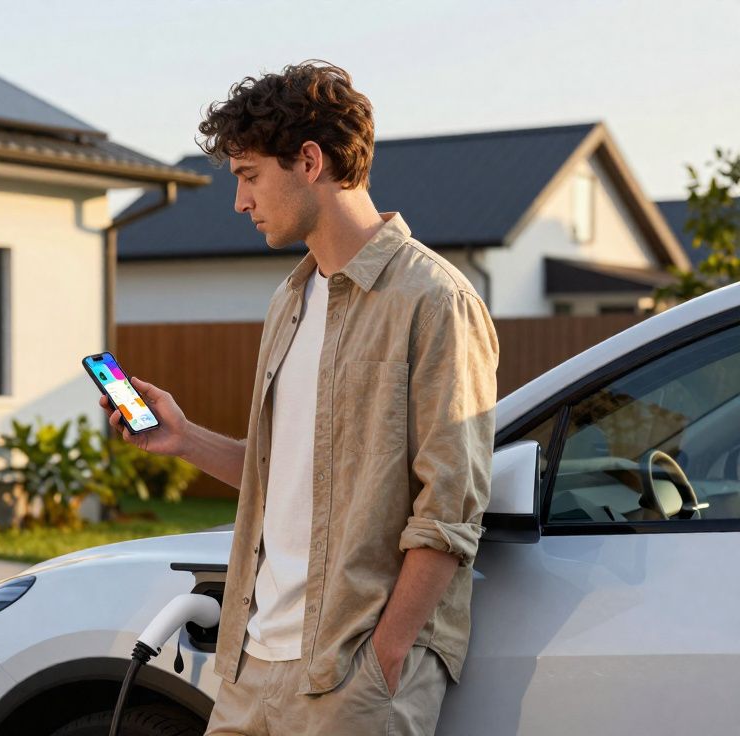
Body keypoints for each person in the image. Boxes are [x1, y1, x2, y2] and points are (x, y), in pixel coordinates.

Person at [99, 60, 499, 735]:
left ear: (309, 161)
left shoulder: (434, 300)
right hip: (252, 664)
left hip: (352, 673)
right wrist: (184, 438)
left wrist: (386, 655)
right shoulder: (289, 301)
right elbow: (284, 477)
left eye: (250, 175)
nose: (240, 201)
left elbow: (450, 506)